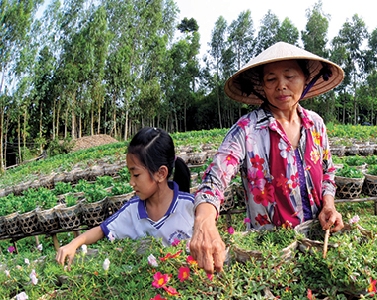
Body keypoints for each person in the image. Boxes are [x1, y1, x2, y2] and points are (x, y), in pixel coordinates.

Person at [190, 42, 346, 273]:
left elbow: (328, 172)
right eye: (271, 79)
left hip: (317, 240)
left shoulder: (316, 124)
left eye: (290, 76)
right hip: (270, 253)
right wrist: (204, 222)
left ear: (305, 79)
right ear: (262, 87)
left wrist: (329, 205)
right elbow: (214, 181)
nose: (281, 85)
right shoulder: (246, 130)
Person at [56, 127, 194, 267]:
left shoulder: (190, 207)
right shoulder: (133, 210)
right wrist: (73, 244)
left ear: (161, 173)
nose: (131, 182)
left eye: (136, 175)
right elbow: (101, 230)